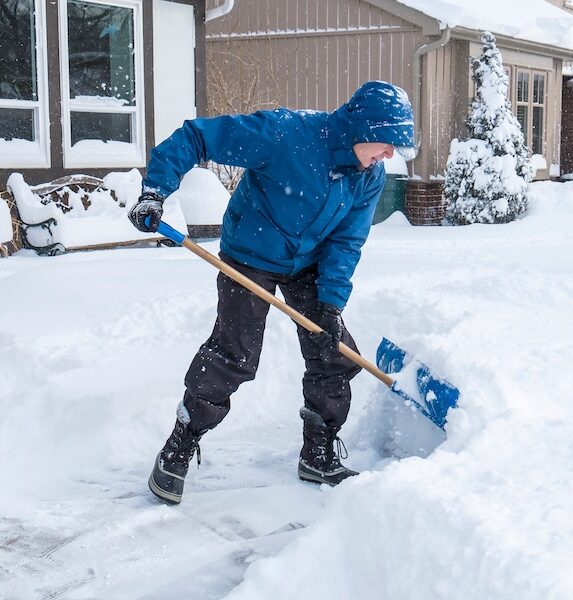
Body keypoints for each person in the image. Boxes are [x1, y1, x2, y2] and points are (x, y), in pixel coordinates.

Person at [128, 81, 415, 504]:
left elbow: (347, 241)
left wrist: (331, 305)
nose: (390, 155)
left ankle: (318, 453)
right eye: (388, 142)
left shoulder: (368, 175)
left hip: (309, 262)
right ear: (362, 128)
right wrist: (155, 192)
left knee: (334, 353)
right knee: (234, 354)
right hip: (251, 253)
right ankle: (180, 444)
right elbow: (197, 136)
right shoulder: (285, 134)